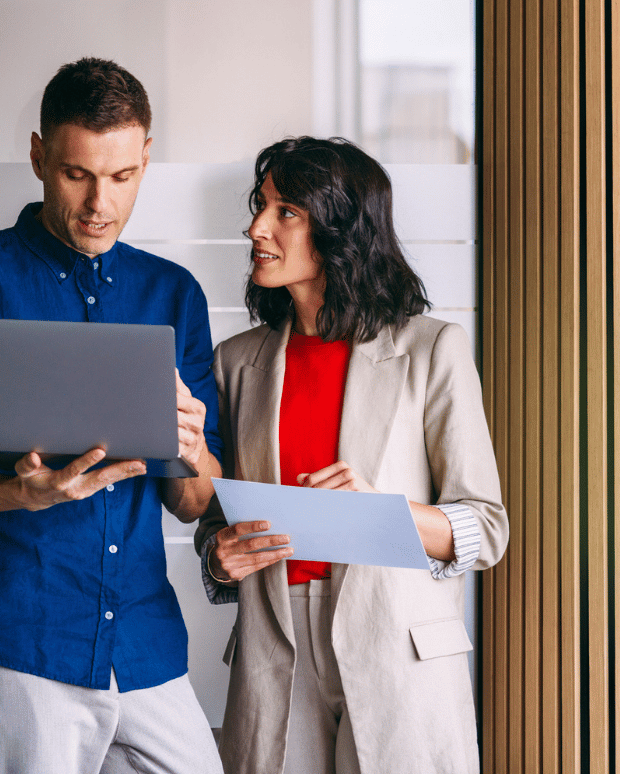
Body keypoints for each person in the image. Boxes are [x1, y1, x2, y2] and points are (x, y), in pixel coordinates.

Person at [0, 58, 224, 774]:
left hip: (144, 642)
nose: (100, 202)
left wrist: (194, 450)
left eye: (123, 177)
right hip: (20, 639)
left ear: (145, 160)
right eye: (77, 174)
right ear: (40, 155)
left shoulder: (173, 295)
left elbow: (195, 503)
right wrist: (17, 492)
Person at [194, 136, 508, 774]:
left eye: (286, 212)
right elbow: (214, 523)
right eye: (262, 204)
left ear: (341, 230)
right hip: (275, 654)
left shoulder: (433, 348)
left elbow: (487, 529)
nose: (256, 226)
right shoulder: (235, 362)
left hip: (398, 644)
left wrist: (385, 513)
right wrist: (219, 562)